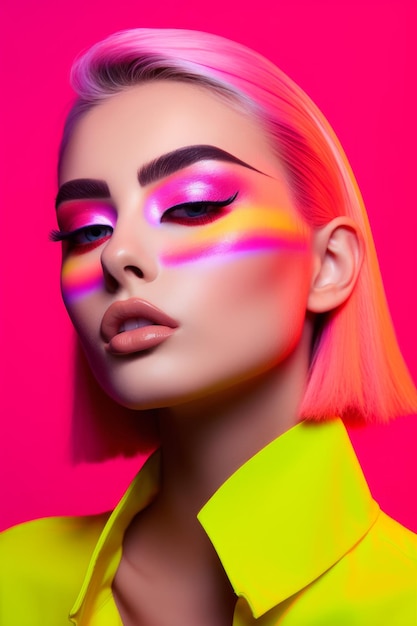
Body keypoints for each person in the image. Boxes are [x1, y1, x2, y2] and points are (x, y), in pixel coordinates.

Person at [1, 28, 416, 626]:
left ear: (328, 266)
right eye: (87, 229)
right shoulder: (11, 580)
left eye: (192, 205)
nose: (118, 256)